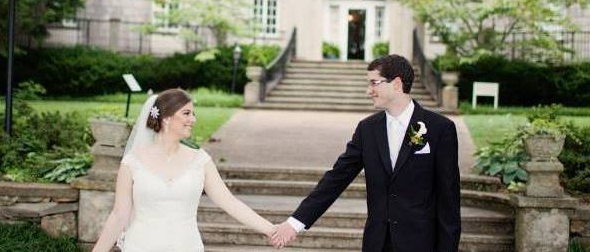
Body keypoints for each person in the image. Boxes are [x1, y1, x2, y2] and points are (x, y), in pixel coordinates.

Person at [271, 54, 461, 252]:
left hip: (422, 244)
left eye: (374, 83)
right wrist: (294, 223)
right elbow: (336, 178)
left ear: (396, 84)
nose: (368, 91)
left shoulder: (440, 129)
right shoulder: (367, 129)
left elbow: (449, 201)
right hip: (376, 244)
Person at [93, 88, 277, 252]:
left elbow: (229, 202)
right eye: (186, 113)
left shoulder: (200, 160)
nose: (193, 119)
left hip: (187, 245)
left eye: (193, 114)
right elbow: (119, 215)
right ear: (166, 117)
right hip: (140, 245)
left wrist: (271, 229)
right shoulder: (132, 162)